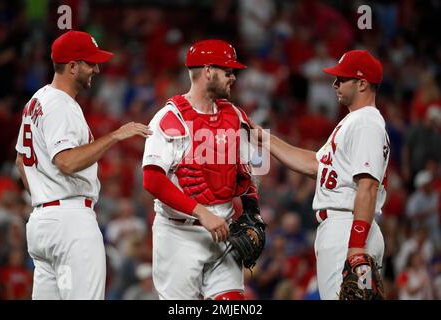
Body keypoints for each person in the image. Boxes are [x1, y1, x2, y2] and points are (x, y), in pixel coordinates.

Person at [14, 30, 151, 300]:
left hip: (43, 221)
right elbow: (66, 161)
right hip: (70, 223)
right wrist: (115, 135)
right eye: (90, 63)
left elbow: (21, 160)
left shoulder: (37, 100)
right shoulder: (61, 105)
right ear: (73, 66)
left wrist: (44, 198)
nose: (96, 69)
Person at [250, 50, 390, 299]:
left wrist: (356, 246)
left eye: (342, 79)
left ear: (362, 83)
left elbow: (367, 186)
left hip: (349, 228)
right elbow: (315, 164)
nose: (334, 84)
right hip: (345, 228)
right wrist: (263, 137)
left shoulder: (365, 123)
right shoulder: (353, 122)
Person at [142, 39, 260, 300]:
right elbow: (152, 180)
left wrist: (253, 212)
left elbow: (245, 174)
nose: (233, 77)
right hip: (179, 234)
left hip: (225, 232)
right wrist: (201, 213)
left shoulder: (235, 116)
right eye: (228, 71)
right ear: (208, 71)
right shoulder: (170, 118)